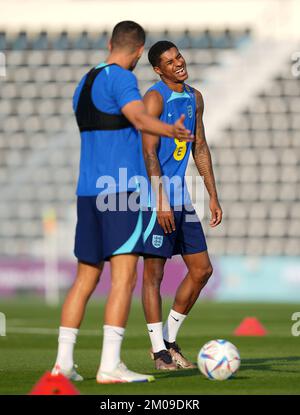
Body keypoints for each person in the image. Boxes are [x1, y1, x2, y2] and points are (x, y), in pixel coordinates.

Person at [51, 24, 193, 384]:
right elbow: (139, 117)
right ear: (139, 50)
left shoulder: (85, 82)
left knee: (85, 278)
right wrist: (169, 130)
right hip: (121, 193)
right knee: (124, 277)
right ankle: (109, 366)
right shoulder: (122, 79)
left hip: (88, 191)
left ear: (110, 43)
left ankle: (62, 365)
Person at [140, 41, 222, 370]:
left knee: (202, 270)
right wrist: (159, 197)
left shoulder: (194, 97)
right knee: (154, 275)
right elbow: (148, 152)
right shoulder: (154, 98)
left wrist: (213, 193)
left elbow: (199, 146)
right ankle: (158, 351)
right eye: (169, 61)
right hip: (153, 198)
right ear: (158, 70)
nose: (178, 63)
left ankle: (170, 341)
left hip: (182, 198)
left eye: (179, 56)